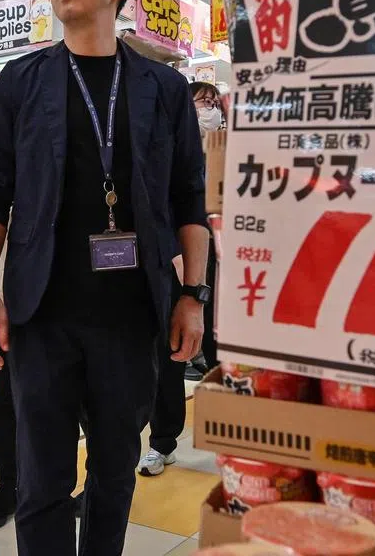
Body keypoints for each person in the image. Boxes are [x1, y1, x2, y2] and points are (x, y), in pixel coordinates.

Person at [0, 0, 210, 556]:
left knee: (114, 471)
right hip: (41, 311)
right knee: (41, 478)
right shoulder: (22, 81)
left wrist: (193, 296)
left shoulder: (164, 89)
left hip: (131, 314)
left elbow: (189, 199)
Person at [137, 82, 225, 478]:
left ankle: (232, 437)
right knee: (169, 351)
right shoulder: (166, 150)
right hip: (175, 263)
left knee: (222, 351)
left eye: (213, 103)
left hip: (222, 264)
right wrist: (175, 256)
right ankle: (162, 442)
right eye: (202, 102)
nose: (209, 110)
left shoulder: (226, 153)